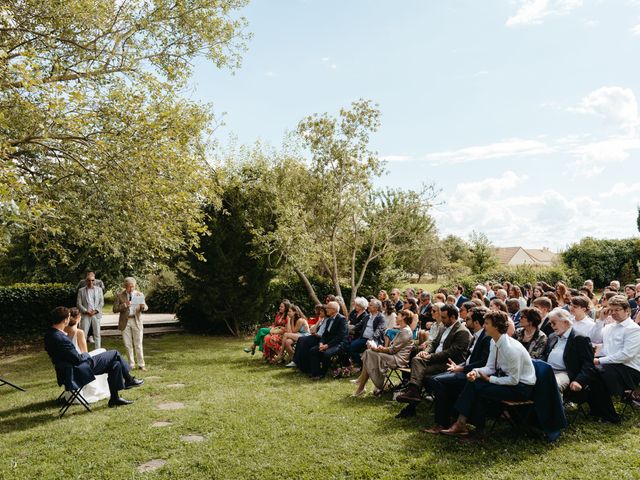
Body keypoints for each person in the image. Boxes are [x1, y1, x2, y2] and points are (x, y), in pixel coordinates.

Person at [440, 310, 536, 436]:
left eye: (486, 323)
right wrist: (475, 372)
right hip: (509, 382)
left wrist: (489, 380)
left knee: (476, 387)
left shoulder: (511, 349)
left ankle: (467, 426)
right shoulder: (493, 341)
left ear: (496, 326)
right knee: (473, 382)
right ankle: (463, 424)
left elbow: (514, 380)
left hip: (521, 388)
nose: (483, 326)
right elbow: (490, 367)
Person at [44, 306, 143, 407]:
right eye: (69, 318)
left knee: (115, 364)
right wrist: (87, 355)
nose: (69, 320)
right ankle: (129, 380)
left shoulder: (50, 334)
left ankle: (115, 399)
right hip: (78, 369)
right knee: (114, 353)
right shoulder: (61, 338)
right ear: (65, 320)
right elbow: (78, 359)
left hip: (68, 369)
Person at [424, 307, 492, 431]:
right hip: (465, 369)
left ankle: (441, 422)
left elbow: (483, 362)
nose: (465, 321)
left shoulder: (485, 338)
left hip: (474, 373)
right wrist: (459, 366)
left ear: (476, 322)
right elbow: (469, 359)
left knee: (436, 380)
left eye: (468, 319)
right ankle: (449, 418)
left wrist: (462, 368)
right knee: (434, 379)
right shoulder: (476, 336)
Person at [395, 304, 471, 408]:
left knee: (419, 371)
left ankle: (412, 400)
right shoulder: (443, 327)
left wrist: (430, 357)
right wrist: (426, 352)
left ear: (453, 317)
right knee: (417, 360)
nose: (442, 320)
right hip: (435, 360)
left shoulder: (462, 332)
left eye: (444, 317)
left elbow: (451, 353)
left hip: (449, 364)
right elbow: (433, 343)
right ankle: (413, 393)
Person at [352, 310, 415, 397]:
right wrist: (378, 349)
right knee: (369, 352)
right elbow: (392, 349)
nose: (396, 316)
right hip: (393, 356)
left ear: (404, 317)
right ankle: (363, 387)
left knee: (369, 353)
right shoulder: (402, 329)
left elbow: (393, 350)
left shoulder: (406, 331)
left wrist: (379, 349)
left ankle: (364, 387)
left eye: (398, 315)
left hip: (398, 359)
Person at [593, 295, 640, 398]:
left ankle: (606, 412)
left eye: (617, 310)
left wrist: (599, 361)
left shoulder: (633, 329)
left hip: (628, 369)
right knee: (586, 367)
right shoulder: (610, 327)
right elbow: (595, 338)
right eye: (611, 310)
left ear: (627, 310)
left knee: (595, 372)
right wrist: (601, 320)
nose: (613, 313)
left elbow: (626, 355)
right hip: (609, 364)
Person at [63, 307, 110, 403]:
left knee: (101, 351)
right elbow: (85, 353)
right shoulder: (79, 332)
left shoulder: (63, 332)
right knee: (103, 351)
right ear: (79, 318)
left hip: (70, 362)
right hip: (80, 362)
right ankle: (101, 387)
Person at [113, 277, 148, 371]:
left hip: (136, 320)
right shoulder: (120, 295)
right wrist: (124, 305)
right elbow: (114, 309)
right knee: (128, 345)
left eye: (132, 286)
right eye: (129, 287)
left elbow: (145, 307)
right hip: (125, 321)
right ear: (125, 286)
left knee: (138, 344)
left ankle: (141, 364)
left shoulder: (139, 294)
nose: (131, 288)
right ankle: (131, 364)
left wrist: (143, 307)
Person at [308, 301, 348, 379]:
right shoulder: (329, 319)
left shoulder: (342, 319)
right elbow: (325, 334)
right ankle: (316, 372)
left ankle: (322, 373)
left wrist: (327, 345)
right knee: (313, 350)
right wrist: (321, 343)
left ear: (334, 310)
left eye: (328, 308)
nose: (326, 310)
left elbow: (340, 337)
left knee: (327, 353)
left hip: (339, 344)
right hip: (328, 343)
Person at [348, 299, 386, 368]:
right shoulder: (367, 316)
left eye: (370, 305)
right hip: (363, 339)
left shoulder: (381, 317)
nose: (368, 306)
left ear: (376, 308)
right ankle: (363, 365)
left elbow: (379, 330)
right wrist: (347, 328)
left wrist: (372, 339)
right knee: (351, 347)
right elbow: (358, 326)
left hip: (374, 340)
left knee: (369, 350)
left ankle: (368, 367)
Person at [77, 272, 104, 349]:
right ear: (86, 281)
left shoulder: (99, 290)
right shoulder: (81, 290)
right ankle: (83, 352)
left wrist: (95, 311)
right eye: (89, 280)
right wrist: (86, 311)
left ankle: (98, 351)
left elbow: (101, 302)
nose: (90, 282)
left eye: (92, 280)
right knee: (83, 334)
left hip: (96, 314)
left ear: (94, 280)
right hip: (86, 315)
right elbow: (78, 304)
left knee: (97, 334)